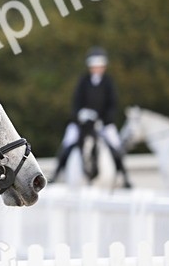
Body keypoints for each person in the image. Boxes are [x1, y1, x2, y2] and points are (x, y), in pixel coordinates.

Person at [51, 46, 132, 187]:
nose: (96, 69)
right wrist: (80, 115)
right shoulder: (83, 81)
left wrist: (104, 119)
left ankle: (124, 177)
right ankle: (56, 173)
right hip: (82, 124)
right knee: (67, 142)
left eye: (99, 66)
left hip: (103, 124)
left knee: (115, 145)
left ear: (104, 66)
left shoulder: (108, 82)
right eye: (94, 66)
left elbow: (112, 104)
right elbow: (76, 102)